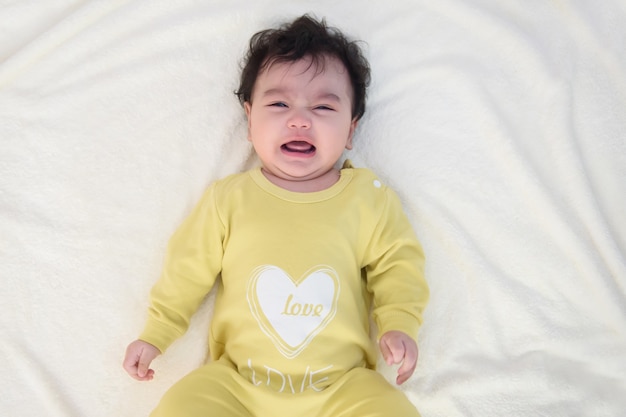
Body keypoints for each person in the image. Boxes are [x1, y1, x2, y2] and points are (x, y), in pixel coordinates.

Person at [123, 14, 429, 417]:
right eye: (279, 103)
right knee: (182, 406)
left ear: (351, 129)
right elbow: (186, 270)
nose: (299, 119)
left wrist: (398, 325)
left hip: (341, 384)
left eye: (323, 106)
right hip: (237, 382)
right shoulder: (229, 199)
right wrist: (157, 333)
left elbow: (399, 267)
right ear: (249, 120)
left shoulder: (368, 200)